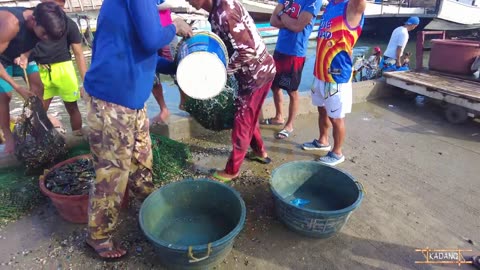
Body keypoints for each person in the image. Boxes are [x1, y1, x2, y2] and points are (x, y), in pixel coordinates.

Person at [83, 0, 192, 259]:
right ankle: (98, 236)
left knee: (141, 159)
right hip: (113, 100)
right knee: (112, 172)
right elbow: (152, 38)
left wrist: (178, 66)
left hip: (131, 100)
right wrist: (175, 25)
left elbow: (135, 48)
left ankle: (147, 207)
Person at [187, 0, 276, 182]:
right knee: (247, 116)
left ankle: (232, 170)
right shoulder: (216, 10)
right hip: (254, 73)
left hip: (256, 76)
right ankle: (260, 151)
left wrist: (221, 72)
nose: (186, 1)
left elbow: (247, 52)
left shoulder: (225, 14)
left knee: (242, 122)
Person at [302, 0, 366, 166]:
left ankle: (337, 153)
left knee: (337, 118)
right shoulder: (331, 5)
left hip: (337, 77)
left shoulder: (351, 6)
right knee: (322, 109)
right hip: (320, 72)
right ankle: (323, 141)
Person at [0, 2, 67, 154]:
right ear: (32, 21)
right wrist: (17, 87)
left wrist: (25, 55)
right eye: (43, 34)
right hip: (1, 56)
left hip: (19, 52)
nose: (45, 38)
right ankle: (7, 134)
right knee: (5, 95)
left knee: (38, 87)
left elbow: (37, 40)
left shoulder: (43, 22)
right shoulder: (11, 23)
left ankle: (38, 126)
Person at [263, 0, 322, 140]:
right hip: (279, 49)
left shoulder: (314, 2)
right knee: (274, 86)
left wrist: (283, 15)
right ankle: (279, 117)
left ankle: (289, 125)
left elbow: (297, 27)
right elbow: (272, 20)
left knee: (292, 91)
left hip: (295, 52)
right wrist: (291, 22)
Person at [31, 0, 87, 135]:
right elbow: (26, 45)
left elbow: (78, 54)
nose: (59, 9)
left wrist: (86, 82)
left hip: (65, 69)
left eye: (61, 6)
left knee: (72, 107)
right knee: (39, 110)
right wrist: (35, 59)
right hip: (42, 70)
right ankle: (40, 141)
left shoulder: (70, 24)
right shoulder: (36, 23)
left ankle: (77, 136)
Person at [151, 2, 188, 124]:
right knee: (151, 73)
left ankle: (185, 101)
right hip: (147, 33)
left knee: (177, 68)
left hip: (166, 29)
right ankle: (164, 109)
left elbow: (168, 3)